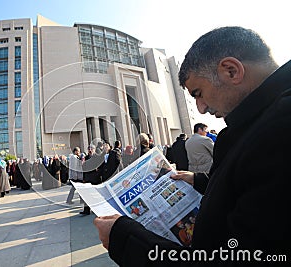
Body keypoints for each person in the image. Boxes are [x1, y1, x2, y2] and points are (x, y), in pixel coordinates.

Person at [93, 26, 290, 266]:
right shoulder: (263, 123)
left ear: (231, 71)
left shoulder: (280, 128)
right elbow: (256, 193)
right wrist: (201, 182)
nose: (201, 108)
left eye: (199, 93)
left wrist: (124, 238)